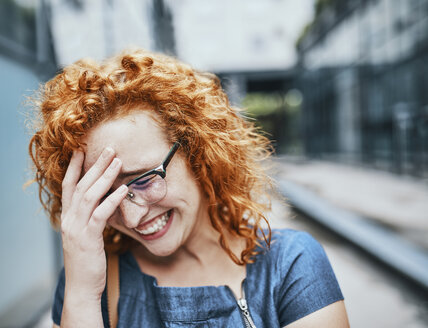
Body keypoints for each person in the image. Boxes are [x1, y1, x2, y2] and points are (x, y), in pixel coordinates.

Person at [28, 49, 349, 327]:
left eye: (143, 179)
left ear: (196, 150)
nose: (131, 216)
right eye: (104, 196)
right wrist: (83, 296)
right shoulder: (90, 282)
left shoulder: (289, 266)